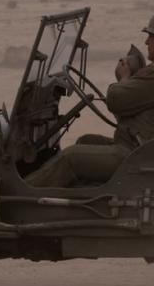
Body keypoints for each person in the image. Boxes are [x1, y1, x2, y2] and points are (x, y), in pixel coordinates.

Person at [25, 19, 154, 188]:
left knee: (70, 158)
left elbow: (116, 100)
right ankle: (77, 201)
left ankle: (16, 195)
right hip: (136, 147)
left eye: (151, 36)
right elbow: (126, 108)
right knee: (85, 140)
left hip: (135, 155)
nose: (146, 41)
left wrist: (124, 78)